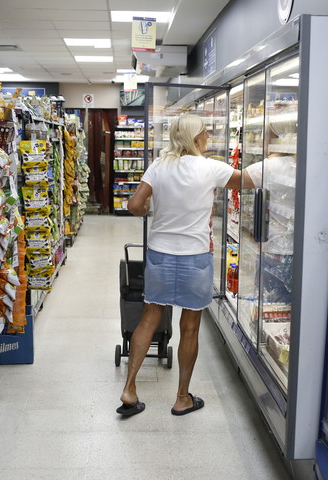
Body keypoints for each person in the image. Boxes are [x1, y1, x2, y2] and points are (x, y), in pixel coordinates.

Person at [117, 114, 255, 417]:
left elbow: (134, 205)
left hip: (161, 254)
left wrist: (150, 212)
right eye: (205, 133)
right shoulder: (211, 167)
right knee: (189, 326)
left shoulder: (159, 165)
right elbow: (247, 180)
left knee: (149, 318)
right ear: (196, 137)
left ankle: (129, 389)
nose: (208, 138)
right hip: (195, 257)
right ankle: (182, 398)